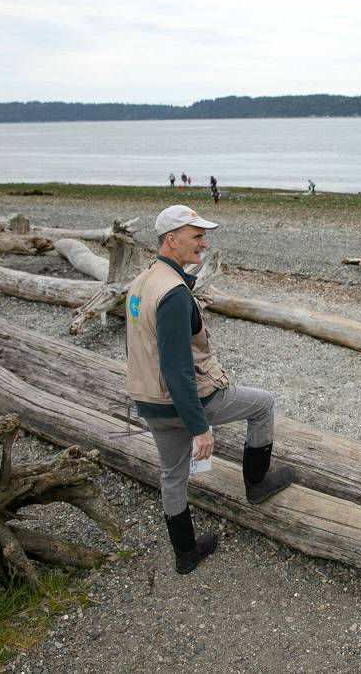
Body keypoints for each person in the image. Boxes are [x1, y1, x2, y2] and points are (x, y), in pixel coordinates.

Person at [125, 205, 294, 574]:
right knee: (263, 405)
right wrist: (199, 426)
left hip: (149, 401)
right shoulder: (173, 294)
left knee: (172, 473)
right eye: (197, 236)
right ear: (172, 240)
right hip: (188, 400)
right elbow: (176, 367)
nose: (204, 243)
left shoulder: (140, 283)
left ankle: (185, 552)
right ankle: (258, 483)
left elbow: (138, 348)